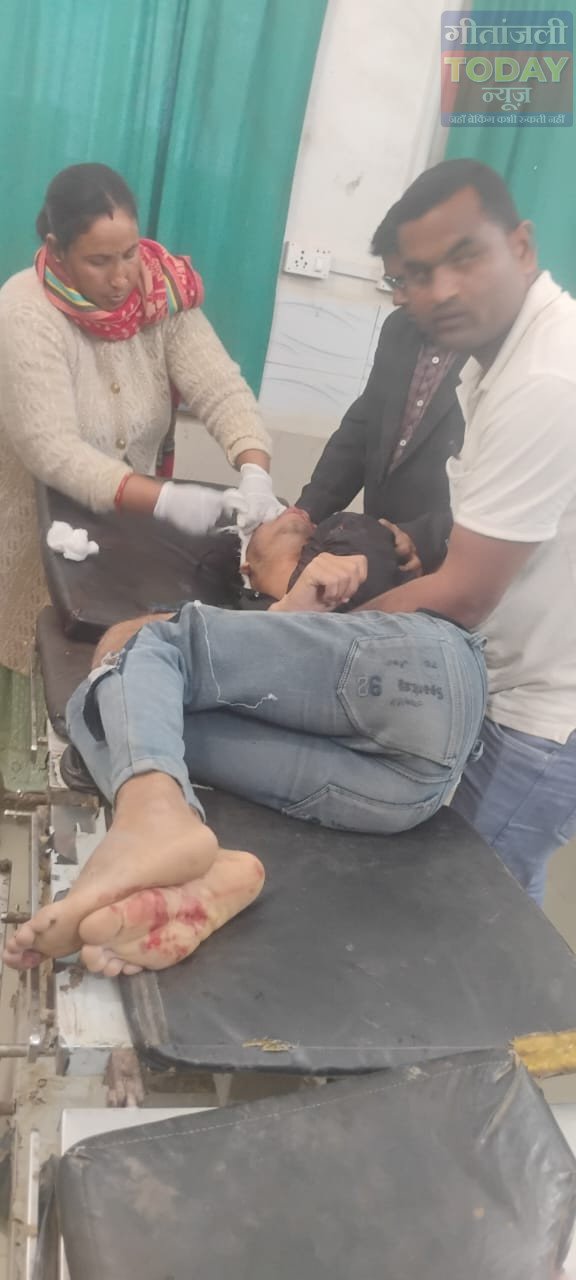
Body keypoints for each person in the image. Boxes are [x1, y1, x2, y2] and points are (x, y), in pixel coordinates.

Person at [3, 549, 486, 975]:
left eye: (257, 539)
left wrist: (284, 609)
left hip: (426, 668)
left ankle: (154, 814)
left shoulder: (335, 553)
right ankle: (208, 876)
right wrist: (283, 610)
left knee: (147, 649)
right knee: (104, 716)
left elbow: (146, 643)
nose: (247, 555)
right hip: (409, 796)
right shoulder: (277, 619)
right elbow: (140, 700)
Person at [0, 163, 282, 786]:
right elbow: (52, 449)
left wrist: (254, 468)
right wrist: (163, 500)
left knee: (98, 704)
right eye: (99, 261)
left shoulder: (161, 296)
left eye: (129, 253)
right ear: (57, 251)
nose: (122, 275)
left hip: (122, 555)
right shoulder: (25, 311)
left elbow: (220, 387)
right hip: (27, 554)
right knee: (25, 719)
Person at [346, 157, 576, 905]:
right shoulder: (496, 363)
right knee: (486, 908)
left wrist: (317, 631)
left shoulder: (546, 377)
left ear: (522, 247)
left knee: (470, 911)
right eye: (416, 275)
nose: (440, 290)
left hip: (546, 712)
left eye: (464, 257)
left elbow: (466, 594)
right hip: (510, 680)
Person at [296, 217, 466, 575]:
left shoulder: (496, 356)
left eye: (404, 282)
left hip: (449, 558)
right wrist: (305, 514)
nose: (396, 297)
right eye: (392, 282)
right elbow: (362, 430)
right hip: (382, 546)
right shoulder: (399, 329)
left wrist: (427, 537)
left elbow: (506, 485)